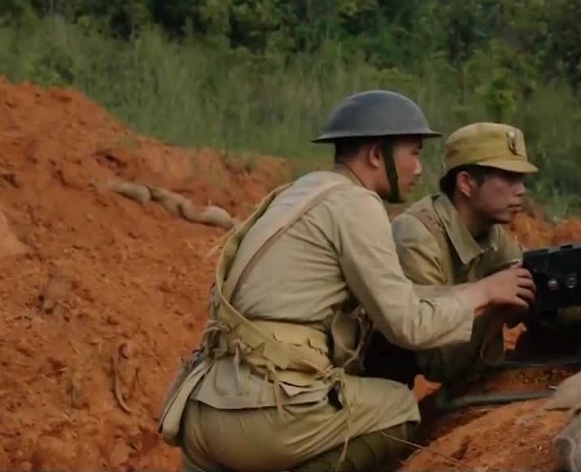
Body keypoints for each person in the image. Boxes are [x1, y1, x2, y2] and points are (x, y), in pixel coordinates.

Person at [156, 90, 537, 472]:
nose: (420, 170)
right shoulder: (356, 204)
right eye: (414, 154)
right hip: (261, 414)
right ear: (376, 155)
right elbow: (408, 325)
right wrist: (485, 292)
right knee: (399, 408)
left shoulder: (299, 192)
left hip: (205, 408)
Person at [365, 122, 535, 389]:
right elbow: (437, 362)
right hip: (374, 380)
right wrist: (494, 304)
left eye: (522, 179)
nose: (521, 190)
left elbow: (527, 283)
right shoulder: (417, 235)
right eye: (508, 177)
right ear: (466, 183)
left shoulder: (491, 232)